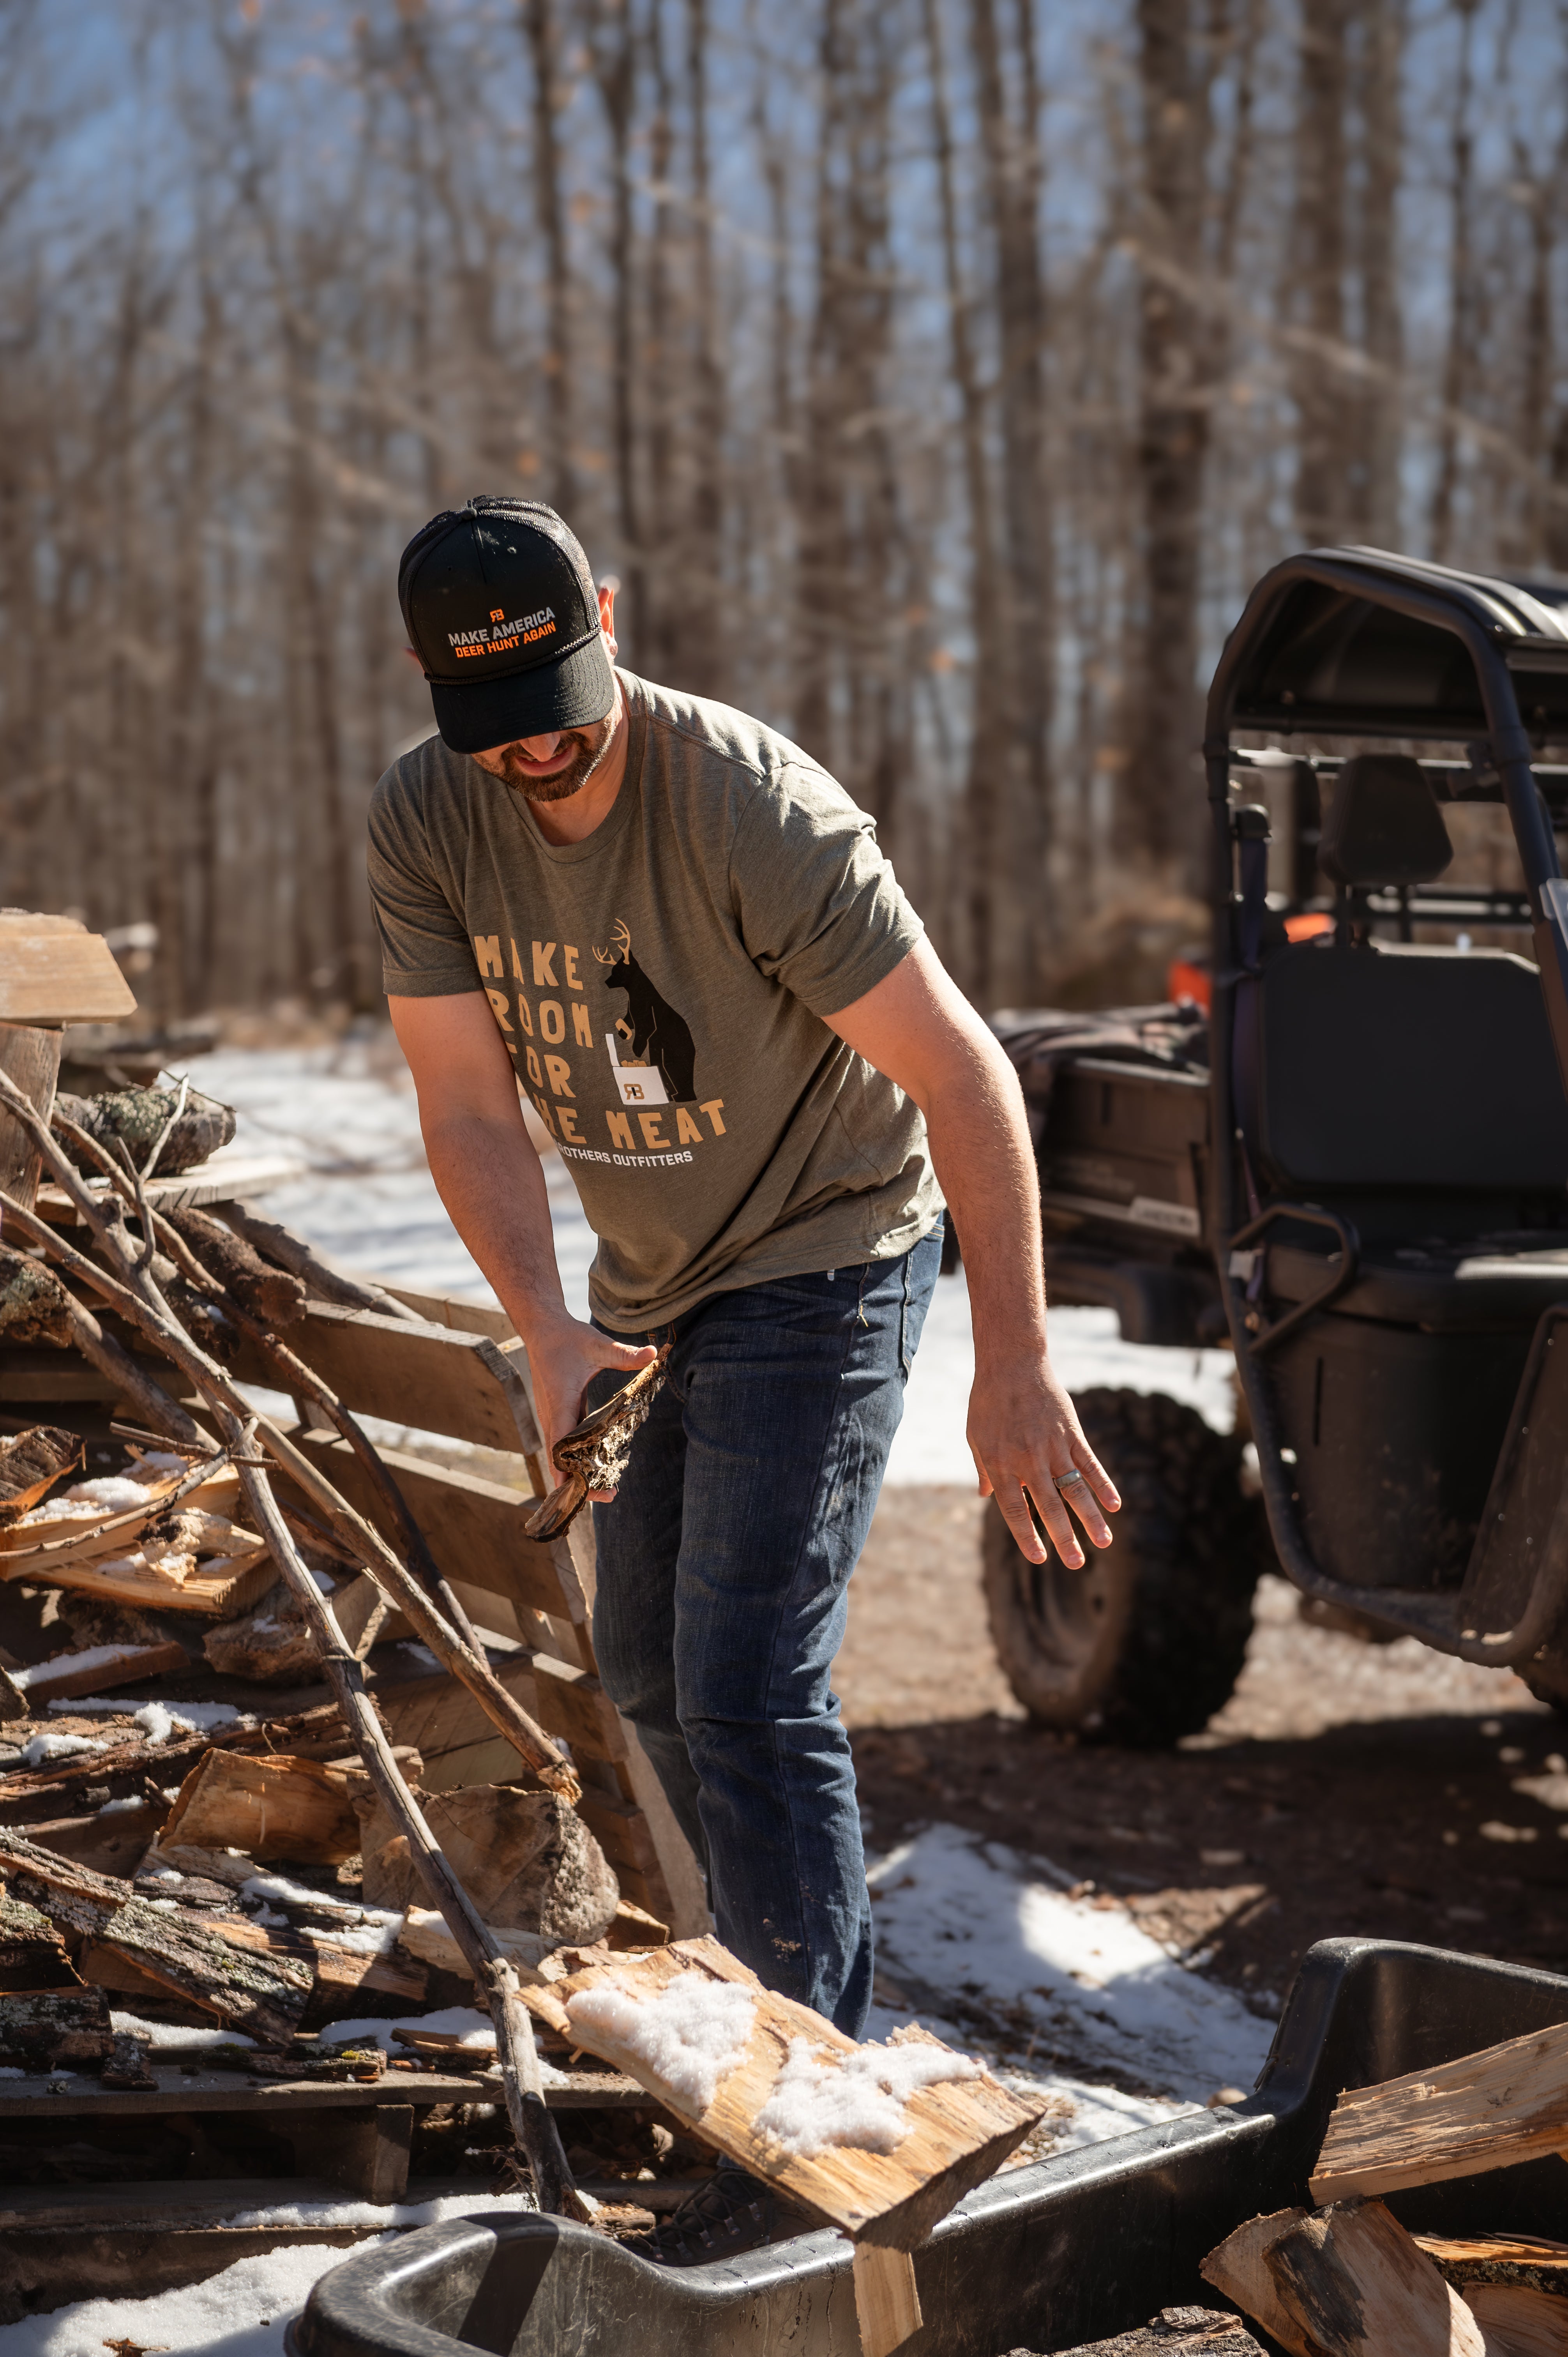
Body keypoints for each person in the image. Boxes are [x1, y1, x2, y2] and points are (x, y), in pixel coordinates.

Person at [370, 496, 1119, 2256]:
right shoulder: (427, 817)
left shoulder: (750, 803)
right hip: (650, 1282)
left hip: (830, 1244)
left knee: (746, 1678)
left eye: (563, 697)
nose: (541, 749)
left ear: (608, 619)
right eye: (499, 724)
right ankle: (772, 2016)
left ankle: (813, 2128)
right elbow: (469, 1105)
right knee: (643, 1667)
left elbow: (965, 1080)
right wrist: (548, 1322)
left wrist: (1008, 1366)